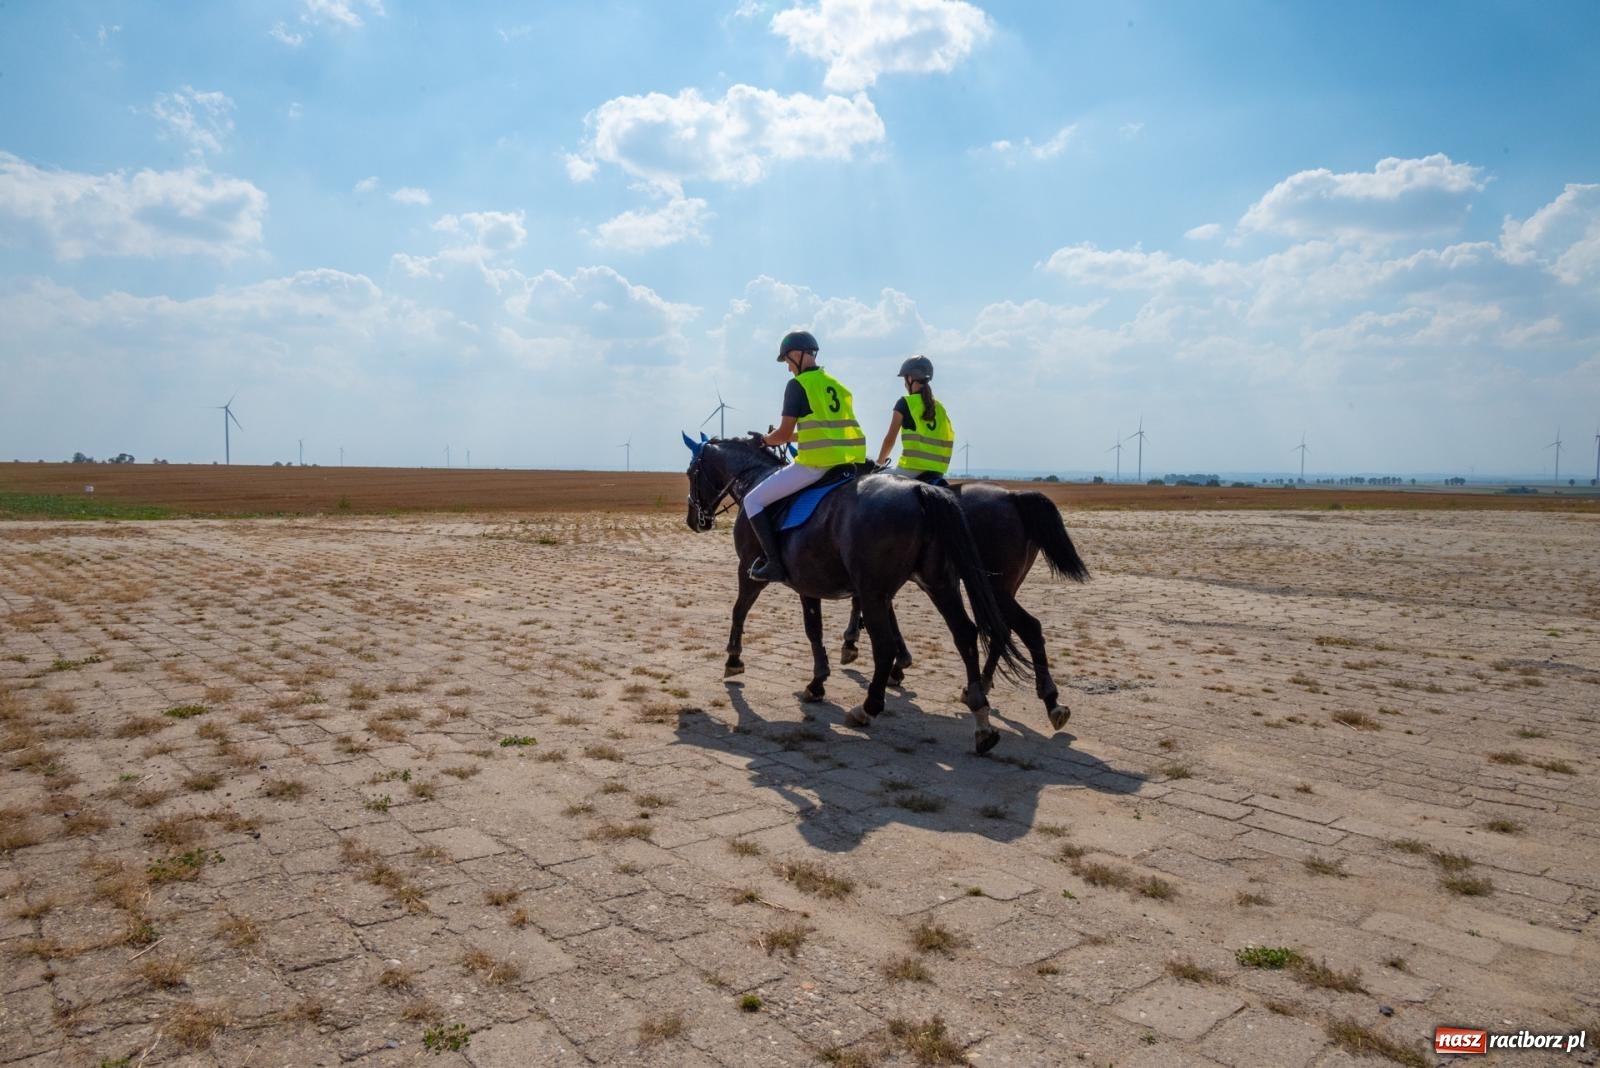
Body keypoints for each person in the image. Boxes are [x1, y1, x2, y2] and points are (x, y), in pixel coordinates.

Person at [741, 330, 867, 583]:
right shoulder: (837, 386)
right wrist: (786, 437)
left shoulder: (798, 385)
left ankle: (775, 564)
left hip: (815, 465)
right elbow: (823, 430)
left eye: (788, 361)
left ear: (798, 355)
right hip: (846, 464)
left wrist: (763, 441)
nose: (788, 368)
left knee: (752, 501)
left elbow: (784, 432)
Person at [875, 354, 954, 481]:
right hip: (937, 473)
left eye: (904, 380)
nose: (905, 384)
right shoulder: (940, 408)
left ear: (910, 378)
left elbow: (890, 440)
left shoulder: (905, 403)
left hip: (910, 470)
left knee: (871, 480)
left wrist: (879, 464)